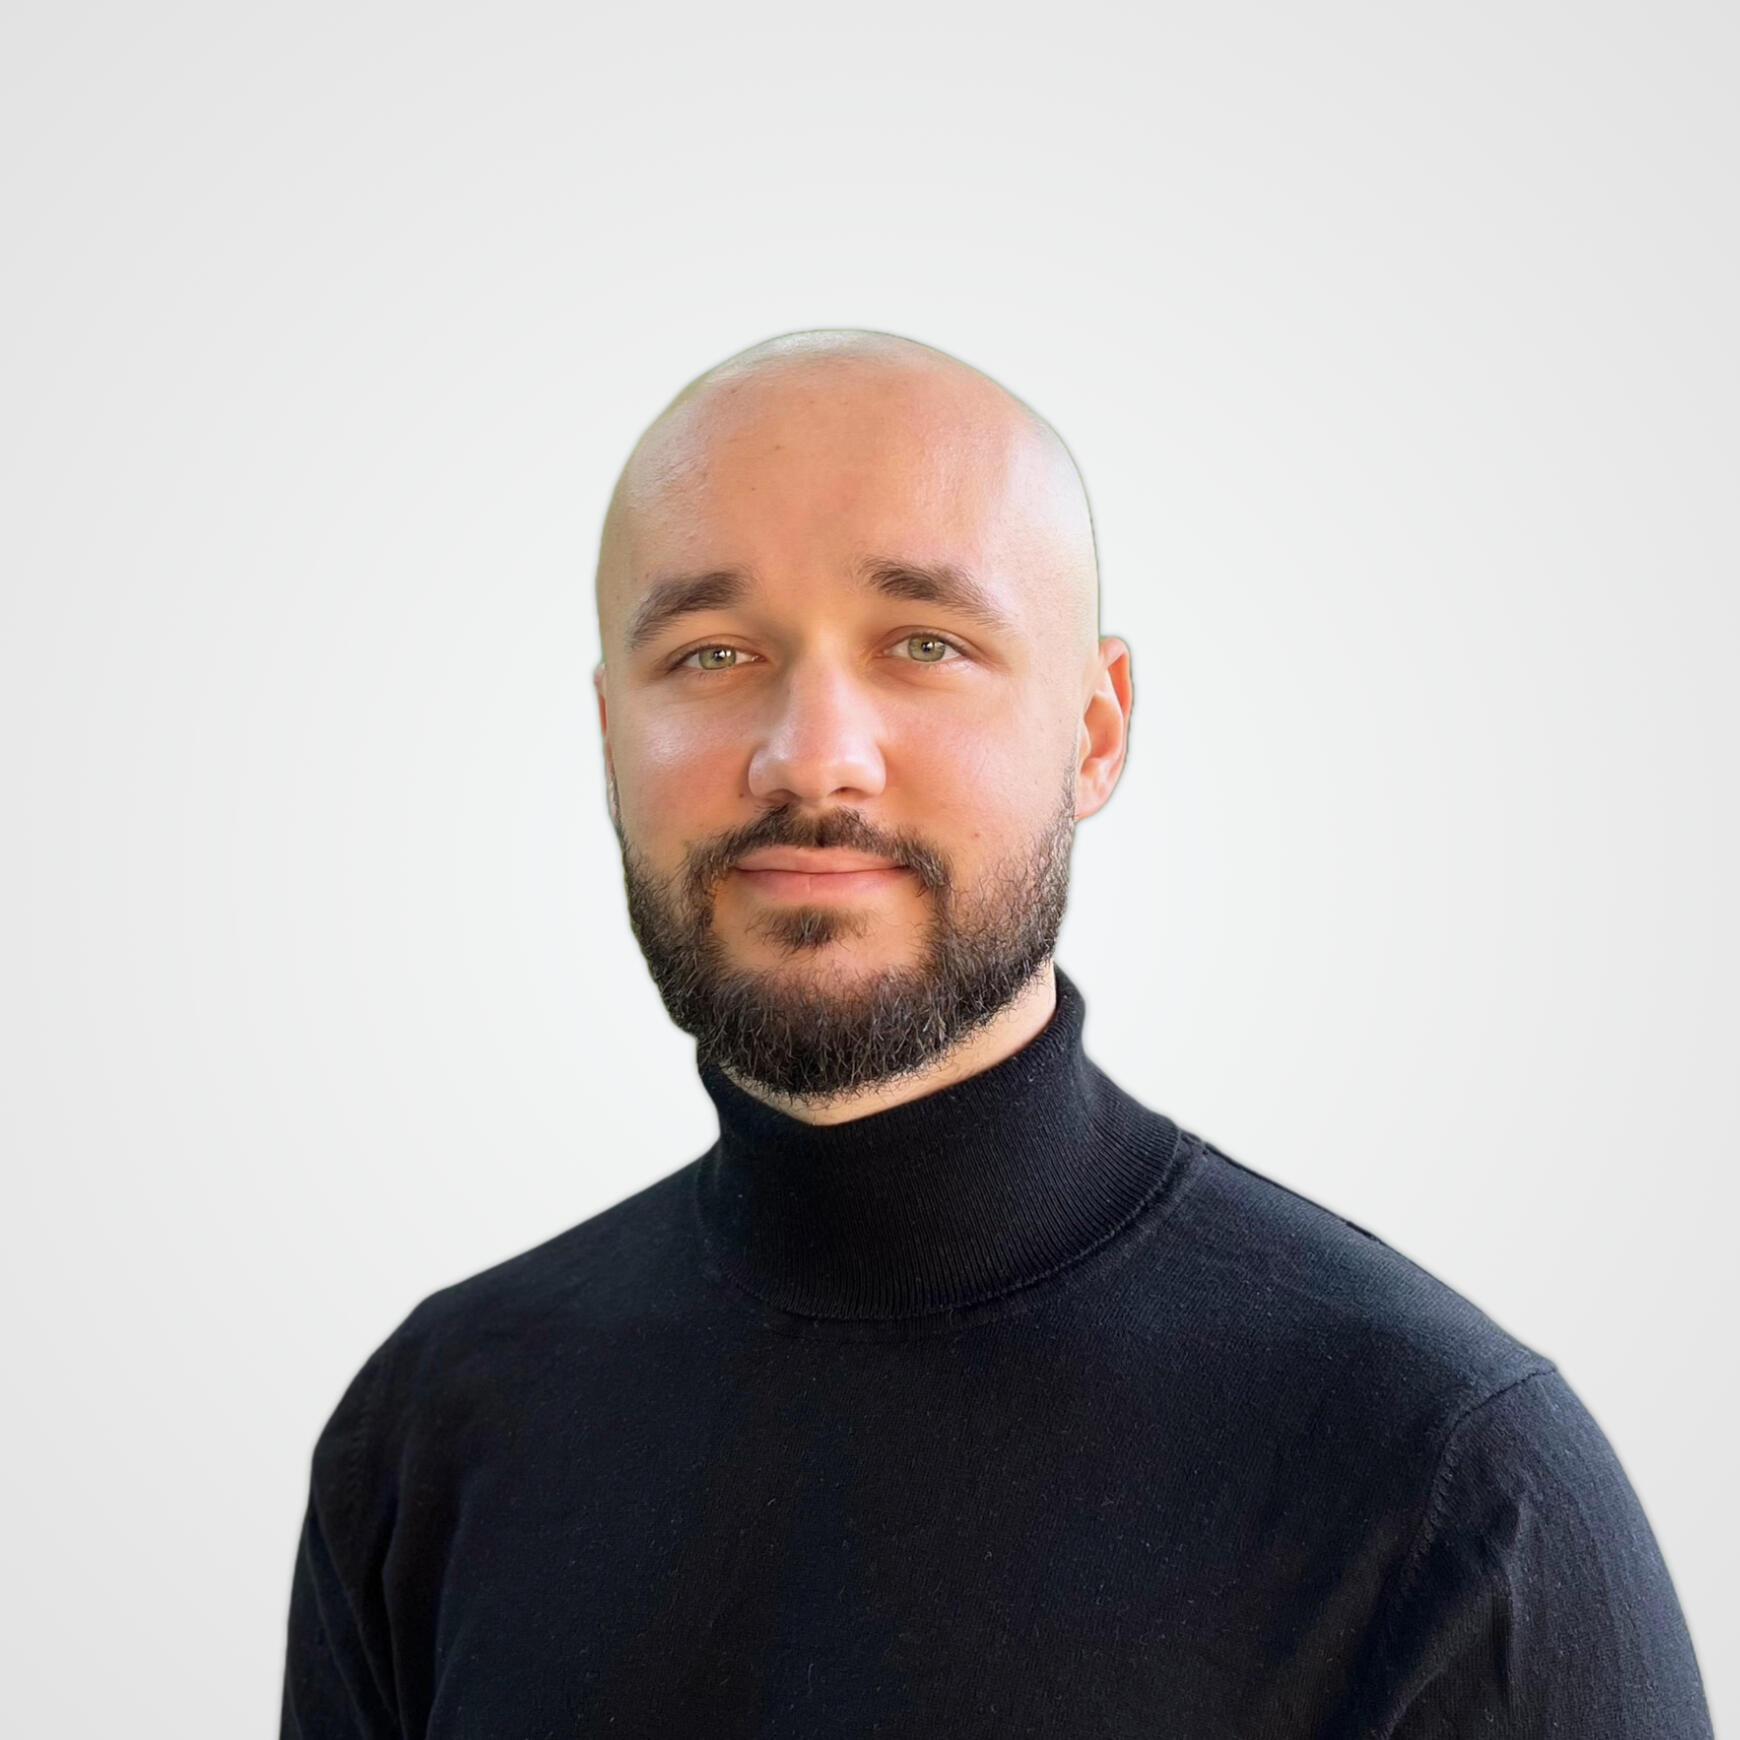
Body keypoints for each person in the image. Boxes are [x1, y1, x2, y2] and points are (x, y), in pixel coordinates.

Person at [281, 330, 1713, 1736]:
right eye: (712, 653)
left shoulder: (1445, 1487)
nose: (810, 757)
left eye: (925, 644)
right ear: (611, 737)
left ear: (1095, 732)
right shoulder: (433, 1436)